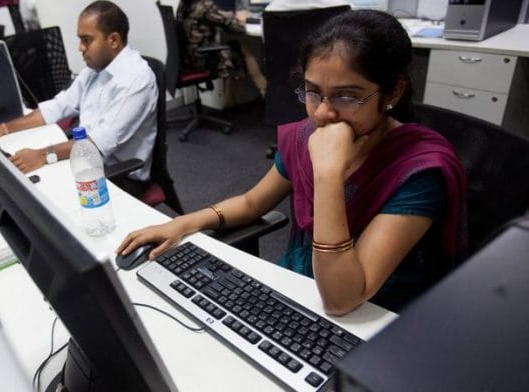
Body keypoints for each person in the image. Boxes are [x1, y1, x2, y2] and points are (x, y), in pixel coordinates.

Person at [118, 10, 468, 315]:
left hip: (374, 312)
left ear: (392, 93)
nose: (323, 113)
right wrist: (182, 224)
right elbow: (253, 202)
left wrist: (329, 173)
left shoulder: (418, 170)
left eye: (347, 96)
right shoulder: (306, 135)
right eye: (313, 91)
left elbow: (343, 299)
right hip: (302, 286)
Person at [0, 1, 158, 198]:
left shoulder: (136, 79)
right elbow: (58, 107)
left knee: (36, 196)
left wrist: (42, 155)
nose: (80, 48)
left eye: (87, 40)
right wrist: (4, 128)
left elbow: (98, 144)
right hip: (86, 159)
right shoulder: (95, 70)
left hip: (119, 176)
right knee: (27, 187)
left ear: (114, 40)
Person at [176, 0, 267, 97]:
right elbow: (235, 26)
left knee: (235, 47)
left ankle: (230, 103)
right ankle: (264, 90)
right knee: (243, 49)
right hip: (200, 59)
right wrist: (243, 19)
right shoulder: (205, 5)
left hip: (187, 57)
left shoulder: (184, 3)